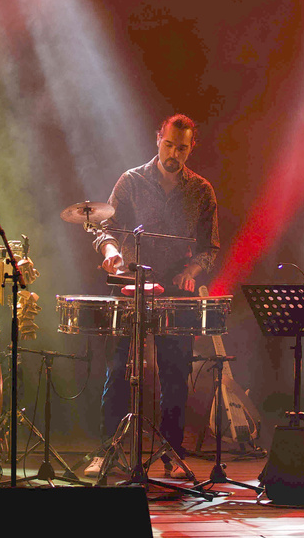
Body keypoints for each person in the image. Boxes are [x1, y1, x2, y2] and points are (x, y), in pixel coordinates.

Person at [87, 114, 220, 477]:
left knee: (175, 372)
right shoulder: (131, 181)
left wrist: (191, 272)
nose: (174, 153)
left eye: (182, 147)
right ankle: (107, 449)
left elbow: (210, 247)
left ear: (192, 147)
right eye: (169, 144)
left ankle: (172, 454)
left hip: (175, 290)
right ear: (157, 139)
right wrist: (111, 252)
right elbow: (105, 229)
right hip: (131, 283)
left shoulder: (201, 190)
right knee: (118, 368)